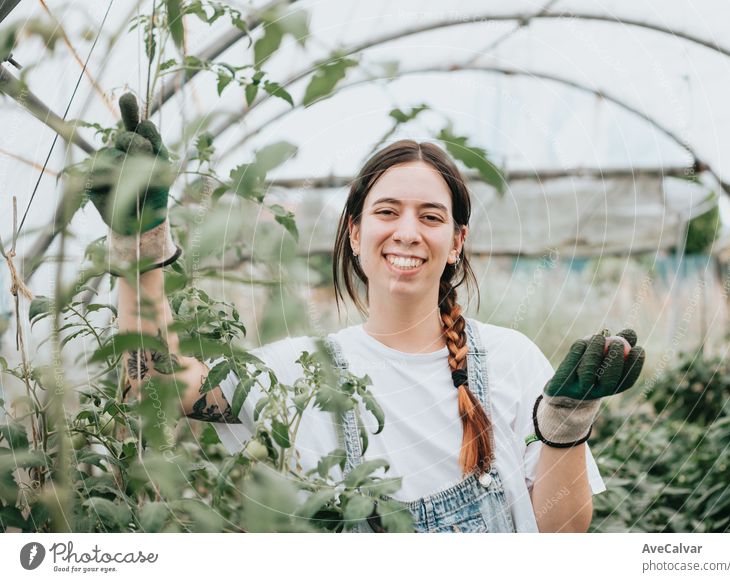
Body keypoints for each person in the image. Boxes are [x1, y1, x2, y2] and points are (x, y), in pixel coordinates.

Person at [87, 94, 645, 533]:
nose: (407, 231)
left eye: (431, 216)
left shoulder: (511, 360)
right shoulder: (302, 375)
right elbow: (152, 385)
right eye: (387, 211)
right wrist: (139, 243)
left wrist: (565, 430)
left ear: (456, 241)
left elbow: (561, 532)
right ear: (354, 232)